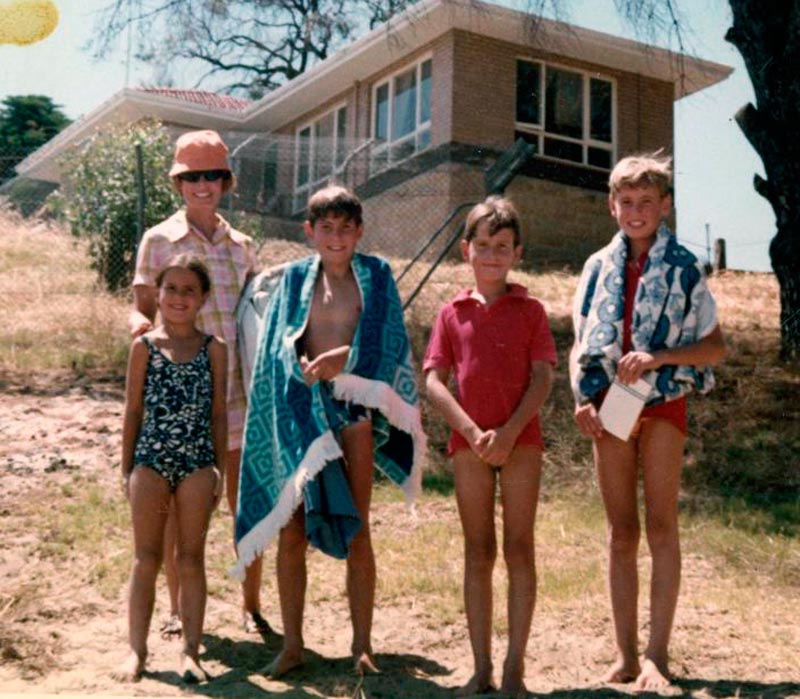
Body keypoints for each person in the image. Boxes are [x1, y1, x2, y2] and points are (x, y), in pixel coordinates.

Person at [232, 185, 426, 678]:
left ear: (359, 231)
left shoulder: (376, 275)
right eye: (326, 228)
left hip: (353, 410)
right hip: (302, 413)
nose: (336, 237)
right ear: (310, 232)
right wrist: (298, 362)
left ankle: (362, 644)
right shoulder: (294, 278)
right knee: (292, 533)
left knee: (358, 527)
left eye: (345, 228)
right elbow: (276, 347)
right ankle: (293, 645)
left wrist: (344, 359)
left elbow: (390, 341)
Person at [569, 152, 725, 691]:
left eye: (646, 202)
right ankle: (626, 655)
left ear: (665, 206)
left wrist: (660, 357)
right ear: (613, 206)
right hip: (611, 403)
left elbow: (715, 347)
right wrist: (582, 399)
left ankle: (658, 656)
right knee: (620, 532)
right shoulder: (596, 268)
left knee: (660, 527)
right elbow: (580, 343)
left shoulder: (685, 267)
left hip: (661, 404)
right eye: (626, 202)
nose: (636, 211)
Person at [128, 129, 269, 635]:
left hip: (238, 399)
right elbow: (145, 313)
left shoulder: (243, 246)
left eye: (211, 175)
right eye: (191, 176)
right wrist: (137, 325)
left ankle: (251, 606)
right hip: (181, 405)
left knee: (247, 504)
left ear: (225, 181)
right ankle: (173, 609)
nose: (202, 185)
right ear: (178, 182)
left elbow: (259, 318)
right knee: (174, 511)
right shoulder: (159, 241)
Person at [423, 196, 555, 698]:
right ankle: (481, 668)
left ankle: (515, 668)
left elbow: (542, 379)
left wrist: (510, 432)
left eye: (502, 247)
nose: (492, 255)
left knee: (520, 548)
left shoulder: (532, 310)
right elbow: (434, 381)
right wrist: (473, 431)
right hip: (469, 445)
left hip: (521, 443)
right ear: (466, 251)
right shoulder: (451, 313)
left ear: (517, 252)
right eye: (483, 246)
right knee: (479, 551)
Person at [114, 255, 227, 683]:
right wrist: (127, 469)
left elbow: (219, 414)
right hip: (151, 460)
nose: (179, 298)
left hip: (197, 462)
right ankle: (136, 651)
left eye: (189, 291)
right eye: (171, 289)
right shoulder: (143, 349)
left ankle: (191, 651)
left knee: (190, 558)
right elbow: (133, 410)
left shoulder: (214, 349)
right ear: (157, 295)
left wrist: (218, 470)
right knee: (146, 558)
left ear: (202, 300)